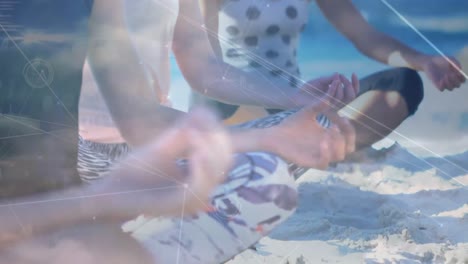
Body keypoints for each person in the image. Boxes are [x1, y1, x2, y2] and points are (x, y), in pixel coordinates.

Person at [1, 0, 355, 263]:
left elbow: (197, 70)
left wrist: (291, 100)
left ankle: (124, 222)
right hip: (88, 156)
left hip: (138, 156)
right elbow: (140, 123)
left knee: (272, 168)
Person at [196, 0, 466, 149]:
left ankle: (327, 149)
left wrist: (424, 60)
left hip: (291, 105)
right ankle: (293, 147)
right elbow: (206, 64)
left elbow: (365, 36)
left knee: (402, 82)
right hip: (230, 100)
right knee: (227, 104)